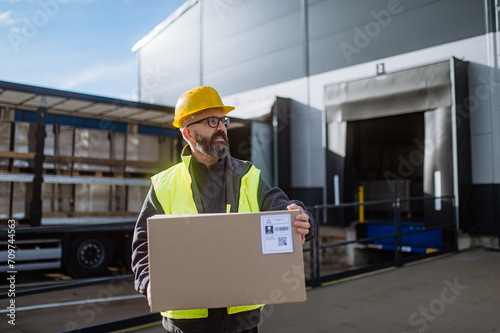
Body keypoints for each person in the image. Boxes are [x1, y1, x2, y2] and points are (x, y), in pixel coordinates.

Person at [132, 86, 315, 333]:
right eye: (211, 121)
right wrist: (149, 281)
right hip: (187, 322)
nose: (221, 128)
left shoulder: (248, 175)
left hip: (241, 321)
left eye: (223, 120)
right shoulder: (164, 186)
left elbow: (282, 206)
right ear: (188, 133)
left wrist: (301, 216)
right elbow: (142, 244)